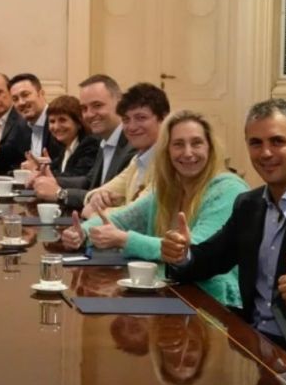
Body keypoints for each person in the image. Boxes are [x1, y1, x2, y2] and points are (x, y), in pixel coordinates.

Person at [162, 99, 286, 356]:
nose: (265, 153)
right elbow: (209, 260)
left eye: (277, 141)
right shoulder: (249, 204)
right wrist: (181, 254)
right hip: (250, 344)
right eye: (256, 143)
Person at [64, 110, 247, 307]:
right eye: (178, 144)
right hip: (168, 292)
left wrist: (126, 240)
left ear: (210, 148)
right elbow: (121, 219)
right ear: (167, 151)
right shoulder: (168, 187)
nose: (187, 153)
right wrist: (82, 232)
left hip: (214, 302)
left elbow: (195, 250)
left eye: (196, 143)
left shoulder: (228, 190)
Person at [31, 74, 136, 211]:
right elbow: (88, 181)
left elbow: (110, 200)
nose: (90, 114)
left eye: (97, 105)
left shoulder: (132, 147)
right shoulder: (104, 141)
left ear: (120, 104)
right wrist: (51, 180)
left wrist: (60, 193)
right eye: (84, 109)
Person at [81, 83, 170, 217]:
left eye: (141, 118)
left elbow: (135, 216)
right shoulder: (138, 160)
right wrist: (96, 197)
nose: (132, 127)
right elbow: (93, 194)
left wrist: (94, 211)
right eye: (126, 120)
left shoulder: (169, 162)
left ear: (163, 118)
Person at [23, 95, 98, 177]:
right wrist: (40, 166)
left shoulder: (90, 145)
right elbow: (55, 172)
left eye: (62, 120)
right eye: (52, 121)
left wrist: (37, 170)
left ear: (78, 123)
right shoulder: (63, 148)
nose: (56, 127)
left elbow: (75, 179)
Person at [9, 73, 63, 163]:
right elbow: (9, 159)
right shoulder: (21, 126)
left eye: (25, 95)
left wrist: (44, 167)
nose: (21, 103)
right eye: (15, 99)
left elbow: (68, 166)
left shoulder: (59, 122)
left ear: (41, 93)